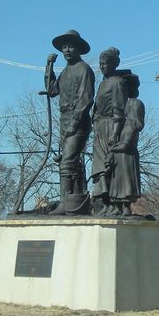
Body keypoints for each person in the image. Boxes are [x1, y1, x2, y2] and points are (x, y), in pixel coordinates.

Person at [44, 30, 95, 213]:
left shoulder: (84, 70)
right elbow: (52, 90)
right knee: (71, 163)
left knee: (67, 161)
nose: (66, 50)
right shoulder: (65, 71)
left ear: (79, 49)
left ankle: (66, 202)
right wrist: (49, 65)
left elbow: (86, 99)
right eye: (64, 47)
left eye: (70, 46)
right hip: (64, 119)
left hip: (78, 121)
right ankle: (75, 199)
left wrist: (74, 122)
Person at [91, 47, 128, 215]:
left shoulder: (117, 82)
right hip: (99, 129)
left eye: (105, 63)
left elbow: (120, 112)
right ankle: (102, 202)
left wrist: (114, 133)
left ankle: (114, 204)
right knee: (99, 168)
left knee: (109, 166)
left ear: (114, 64)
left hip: (110, 127)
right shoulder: (103, 83)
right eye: (100, 63)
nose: (102, 66)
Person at [108, 74, 145, 216]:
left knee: (127, 180)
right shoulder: (125, 105)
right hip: (120, 151)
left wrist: (123, 143)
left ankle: (126, 207)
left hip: (127, 151)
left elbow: (135, 125)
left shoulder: (135, 104)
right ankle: (117, 206)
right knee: (117, 180)